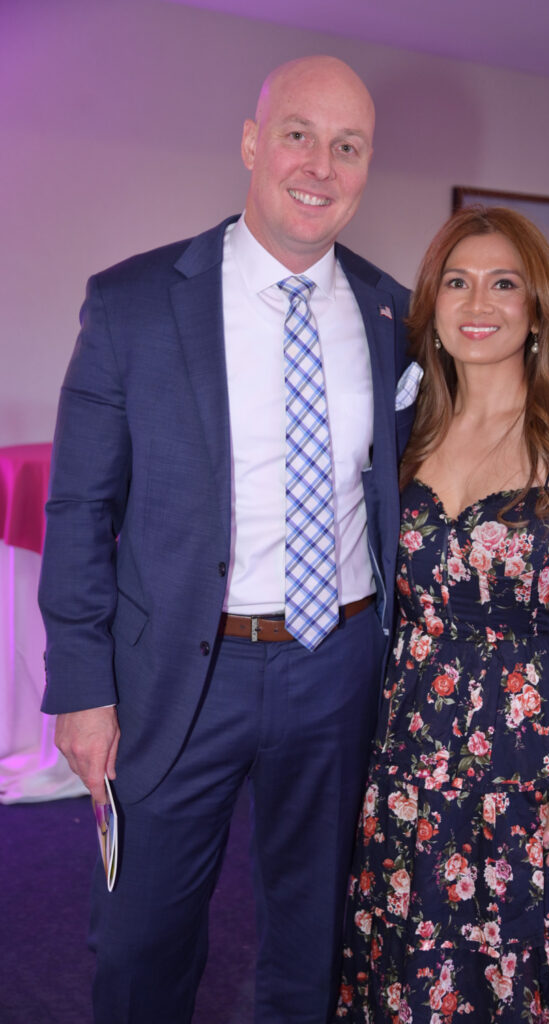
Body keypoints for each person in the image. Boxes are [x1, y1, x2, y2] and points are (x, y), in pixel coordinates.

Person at [38, 56, 415, 1024]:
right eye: (298, 135)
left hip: (337, 665)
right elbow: (78, 508)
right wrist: (80, 688)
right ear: (252, 143)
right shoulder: (131, 301)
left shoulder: (393, 313)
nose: (320, 166)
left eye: (348, 146)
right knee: (139, 939)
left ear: (367, 166)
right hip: (175, 672)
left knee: (315, 930)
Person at [336, 206, 549, 1021]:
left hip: (532, 750)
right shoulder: (406, 435)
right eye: (457, 283)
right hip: (410, 746)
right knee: (413, 946)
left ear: (534, 308)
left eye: (503, 284)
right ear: (430, 308)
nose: (477, 303)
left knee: (527, 945)